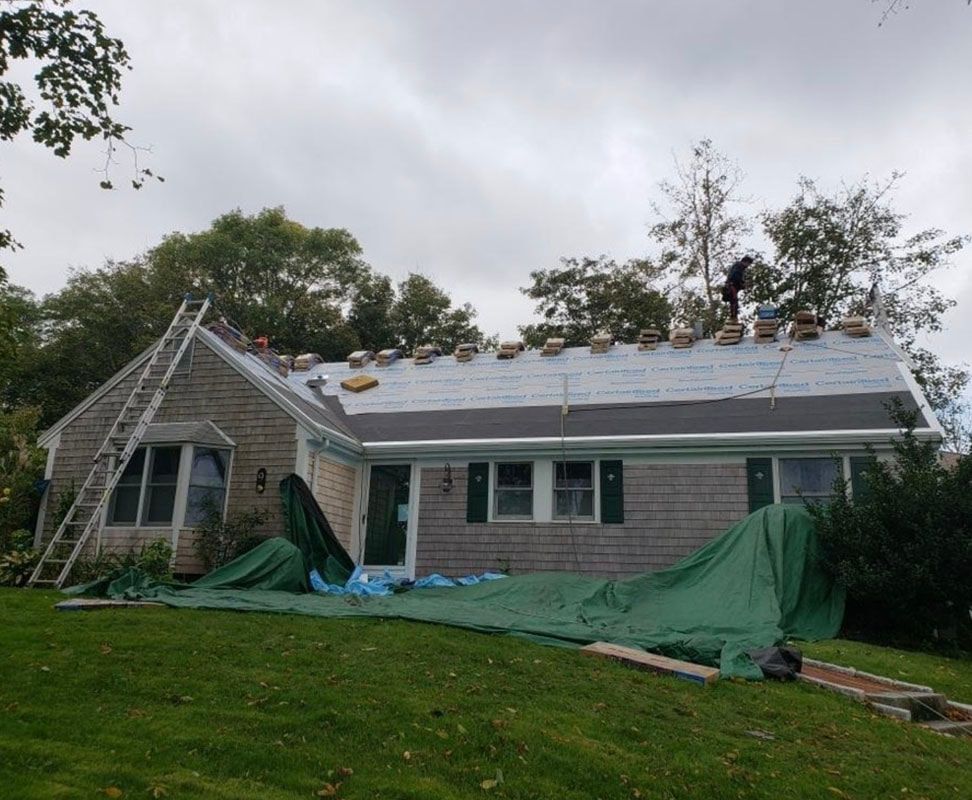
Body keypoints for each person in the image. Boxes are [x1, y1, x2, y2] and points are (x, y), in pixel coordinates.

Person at [722, 255, 753, 321]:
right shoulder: (739, 266)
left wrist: (743, 284)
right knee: (734, 302)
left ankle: (733, 317)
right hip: (732, 286)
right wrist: (743, 282)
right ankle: (733, 317)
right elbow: (735, 277)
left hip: (732, 286)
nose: (747, 266)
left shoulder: (738, 267)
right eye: (748, 264)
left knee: (733, 302)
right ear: (745, 262)